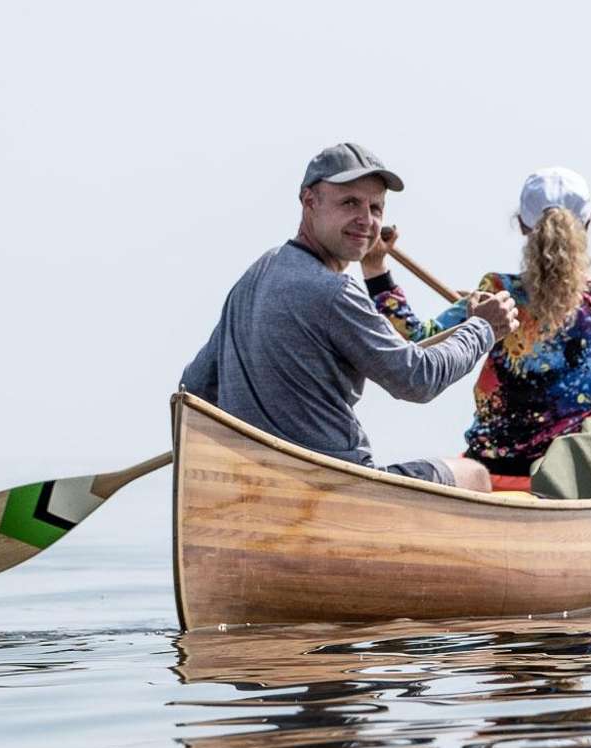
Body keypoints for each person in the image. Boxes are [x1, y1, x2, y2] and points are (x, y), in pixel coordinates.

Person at [179, 143, 518, 490]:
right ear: (309, 201)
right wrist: (482, 329)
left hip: (258, 486)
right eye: (349, 203)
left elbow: (194, 387)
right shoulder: (334, 291)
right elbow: (417, 379)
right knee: (474, 475)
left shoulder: (258, 273)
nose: (366, 220)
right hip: (340, 485)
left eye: (376, 208)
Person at [363, 167, 591, 483]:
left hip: (496, 465)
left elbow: (419, 338)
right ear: (587, 223)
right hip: (575, 469)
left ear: (523, 226)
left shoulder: (499, 292)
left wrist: (374, 268)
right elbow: (555, 312)